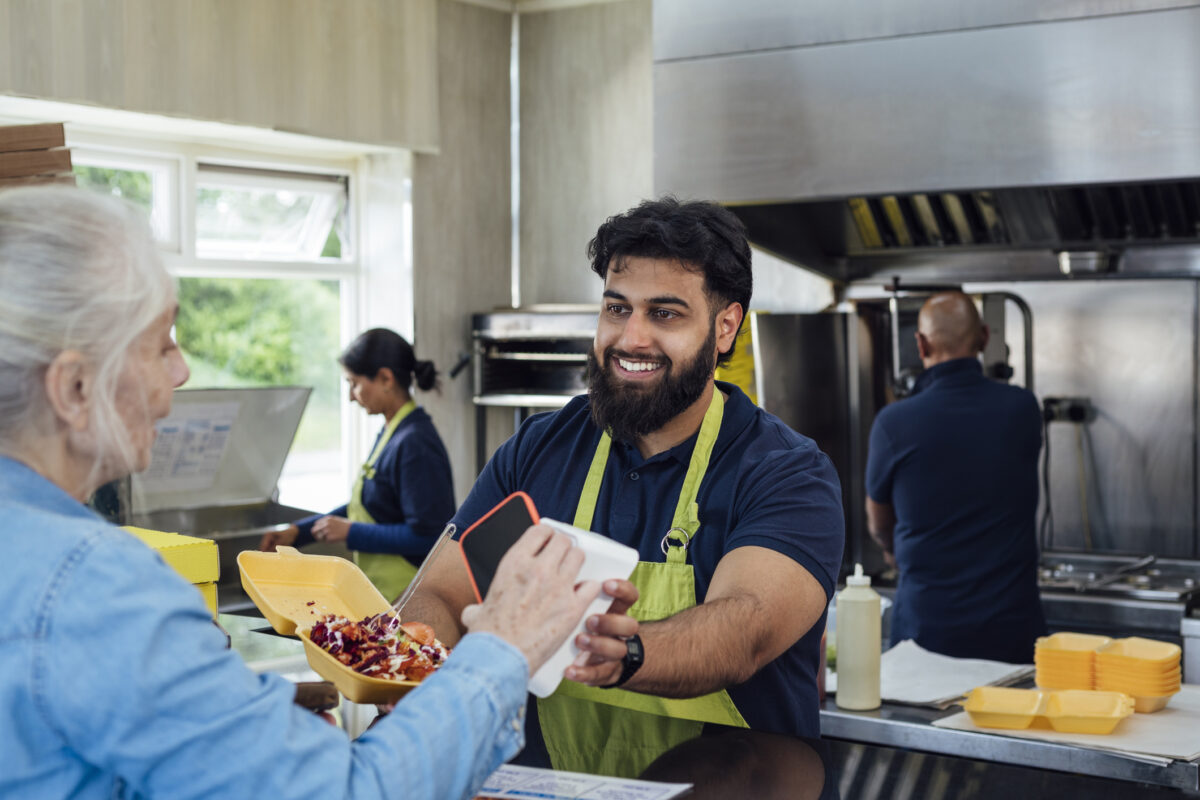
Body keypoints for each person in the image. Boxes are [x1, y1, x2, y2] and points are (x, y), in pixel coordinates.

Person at [0, 186, 612, 800]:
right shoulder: (98, 586)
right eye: (162, 343)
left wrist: (243, 733)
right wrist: (501, 647)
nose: (182, 370)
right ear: (75, 387)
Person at [404, 197, 845, 777]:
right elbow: (440, 593)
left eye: (665, 314)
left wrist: (621, 652)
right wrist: (401, 663)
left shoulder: (787, 471)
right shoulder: (539, 448)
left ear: (725, 327)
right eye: (617, 308)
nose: (631, 338)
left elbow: (745, 628)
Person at [865, 290, 1047, 663]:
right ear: (984, 337)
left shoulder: (894, 423)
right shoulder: (1023, 409)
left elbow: (878, 523)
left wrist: (891, 551)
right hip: (1011, 633)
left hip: (927, 633)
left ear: (920, 344)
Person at [260, 328, 455, 600]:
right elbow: (368, 506)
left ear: (385, 378)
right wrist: (298, 532)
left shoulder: (416, 443)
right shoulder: (393, 432)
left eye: (354, 383)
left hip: (411, 599)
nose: (352, 396)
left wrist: (352, 532)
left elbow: (430, 538)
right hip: (386, 597)